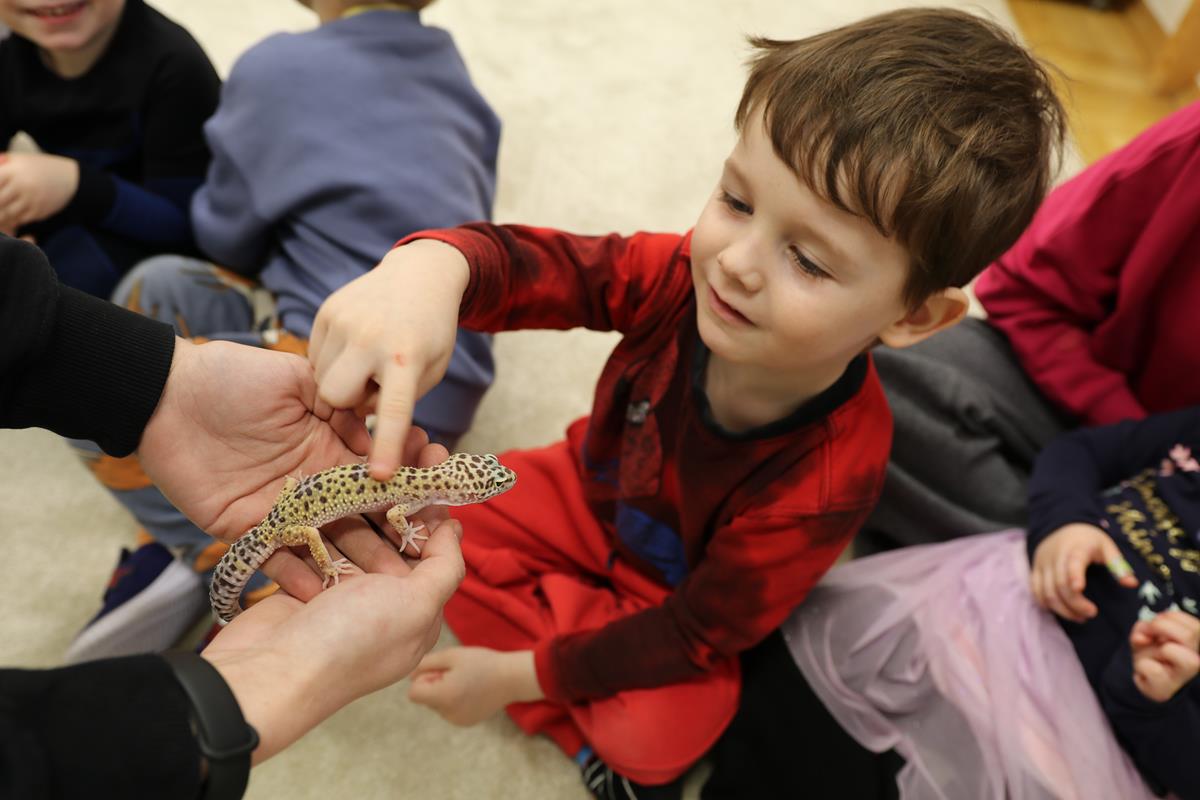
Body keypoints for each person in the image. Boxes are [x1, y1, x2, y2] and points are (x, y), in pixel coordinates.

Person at [305, 9, 1067, 798]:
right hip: (585, 495)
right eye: (737, 200)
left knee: (661, 735)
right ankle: (576, 653)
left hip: (672, 598)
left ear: (915, 317)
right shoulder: (678, 277)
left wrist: (515, 678)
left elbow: (701, 633)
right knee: (426, 528)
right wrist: (434, 269)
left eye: (808, 260)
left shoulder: (830, 477)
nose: (735, 263)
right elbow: (548, 267)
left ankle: (573, 684)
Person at [65, 0, 500, 663]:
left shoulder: (272, 67)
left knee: (106, 362)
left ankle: (203, 554)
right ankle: (228, 558)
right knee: (158, 293)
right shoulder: (462, 80)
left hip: (337, 382)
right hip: (447, 362)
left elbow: (223, 233)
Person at [0, 232, 466, 799]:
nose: (493, 484)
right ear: (459, 486)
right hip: (291, 518)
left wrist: (157, 381)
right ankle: (218, 577)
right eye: (487, 481)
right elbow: (393, 517)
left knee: (291, 534)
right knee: (312, 543)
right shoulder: (410, 494)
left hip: (294, 499)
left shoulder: (411, 487)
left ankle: (198, 570)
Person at [764, 407, 1200, 800]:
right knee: (791, 708)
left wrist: (1148, 701)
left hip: (1073, 740)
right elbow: (1080, 451)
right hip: (986, 602)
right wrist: (1065, 523)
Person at [858, 99, 1200, 555]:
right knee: (876, 369)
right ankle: (1068, 564)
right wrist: (1134, 442)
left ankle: (1080, 574)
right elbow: (1025, 292)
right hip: (1097, 421)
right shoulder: (1188, 148)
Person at [0, 0, 219, 298]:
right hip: (69, 215)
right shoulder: (9, 51)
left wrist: (75, 184)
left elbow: (187, 229)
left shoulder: (176, 65)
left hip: (147, 242)